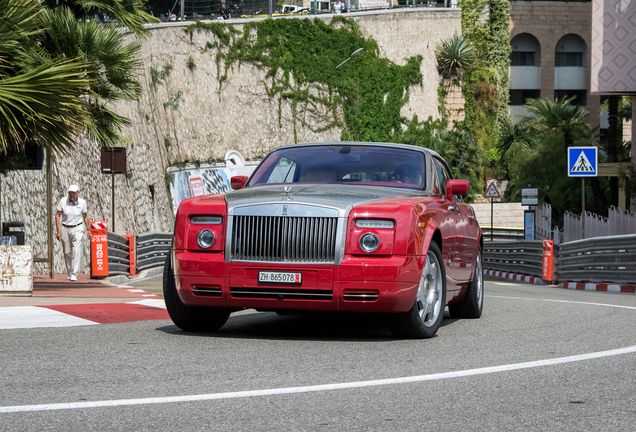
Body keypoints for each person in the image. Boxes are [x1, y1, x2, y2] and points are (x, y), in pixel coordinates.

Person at [56, 185, 92, 281]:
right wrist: (58, 230)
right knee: (67, 251)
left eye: (74, 192)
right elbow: (57, 216)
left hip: (78, 227)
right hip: (65, 227)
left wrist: (88, 230)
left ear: (78, 193)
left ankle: (74, 273)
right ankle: (70, 271)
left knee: (76, 249)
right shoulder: (63, 201)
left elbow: (85, 216)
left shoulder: (82, 202)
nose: (72, 194)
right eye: (70, 192)